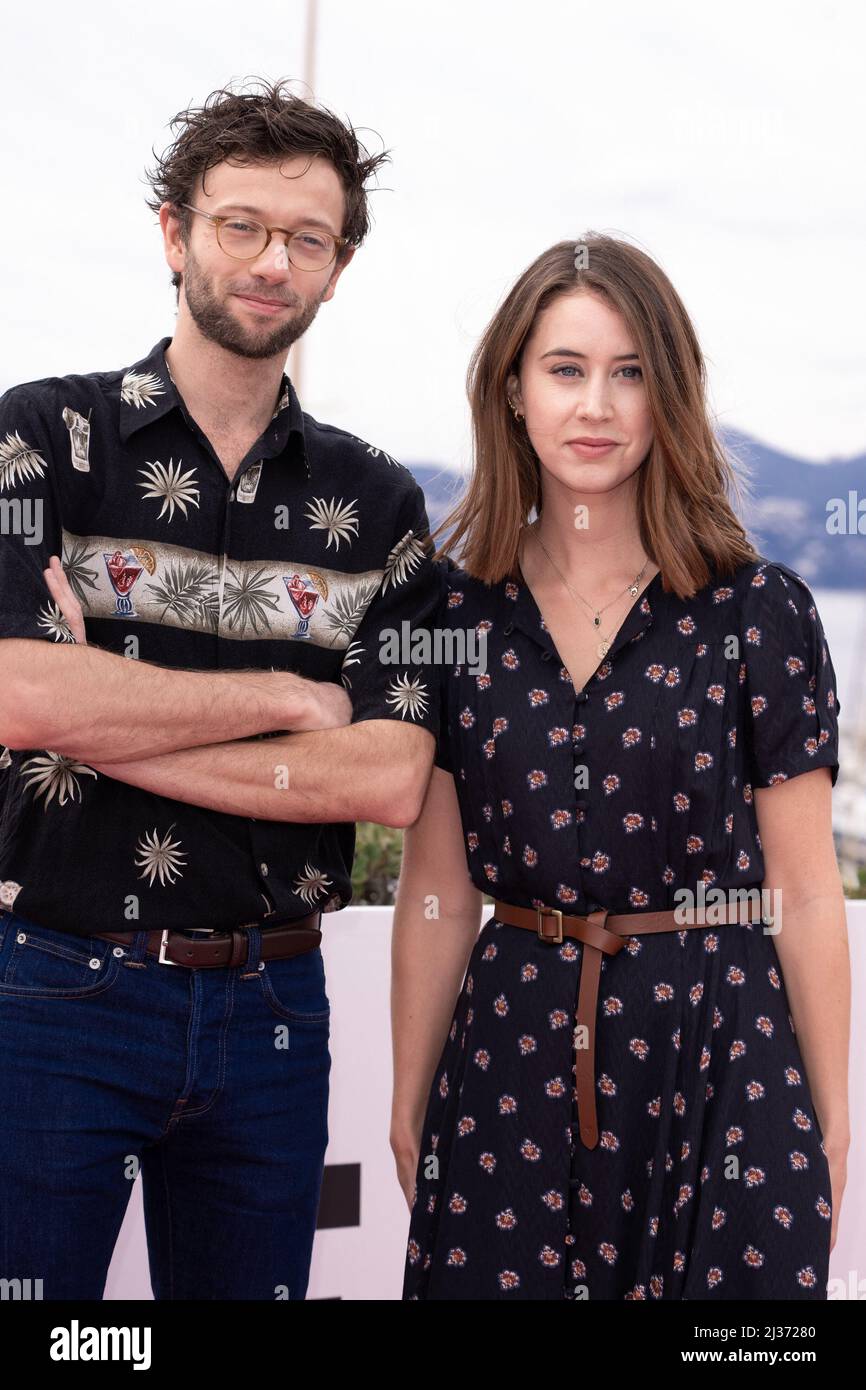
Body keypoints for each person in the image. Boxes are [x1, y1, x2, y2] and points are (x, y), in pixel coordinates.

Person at [0, 77, 440, 1300]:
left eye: (306, 238)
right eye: (240, 224)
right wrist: (293, 696)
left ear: (337, 267)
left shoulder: (382, 504)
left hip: (275, 1011)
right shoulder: (44, 439)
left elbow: (391, 775)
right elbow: (14, 696)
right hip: (55, 983)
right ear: (174, 232)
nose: (269, 261)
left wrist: (101, 710)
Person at [390, 234, 850, 1300]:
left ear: (668, 396)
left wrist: (828, 1125)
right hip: (506, 1062)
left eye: (628, 371)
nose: (594, 403)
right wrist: (409, 1097)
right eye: (564, 368)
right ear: (511, 389)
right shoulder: (451, 616)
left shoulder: (757, 610)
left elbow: (802, 889)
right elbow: (438, 887)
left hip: (722, 1062)